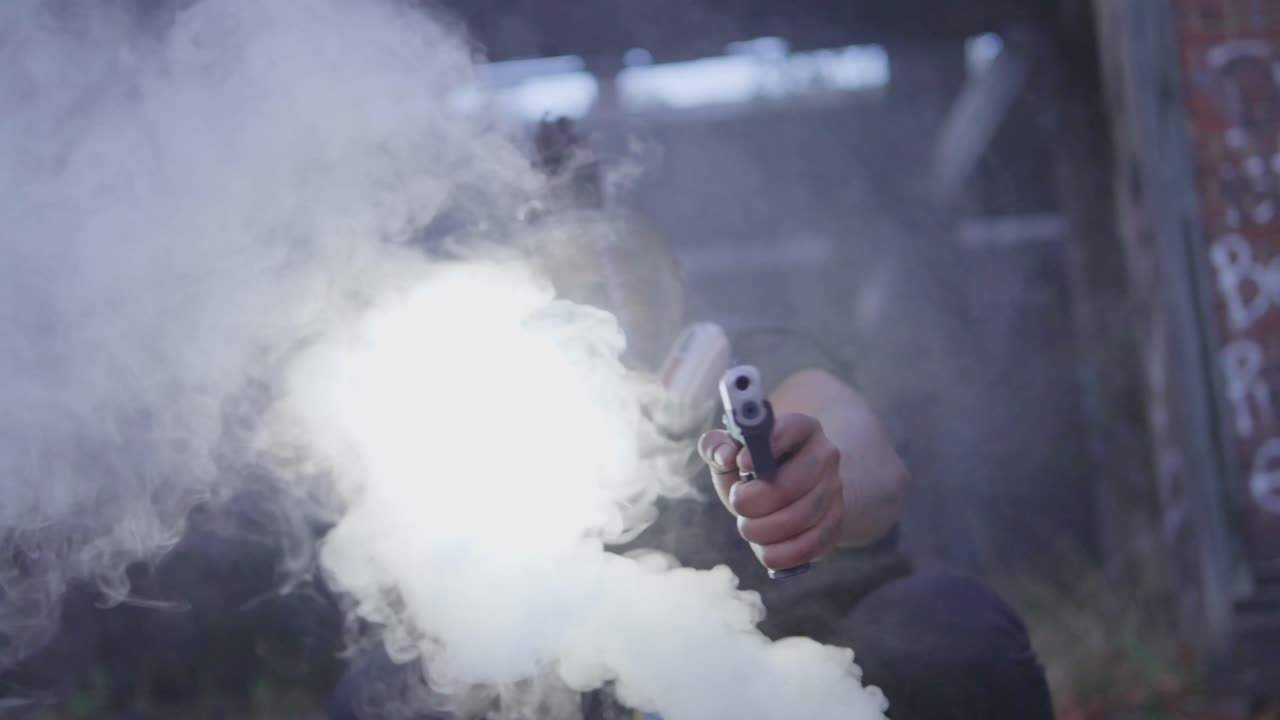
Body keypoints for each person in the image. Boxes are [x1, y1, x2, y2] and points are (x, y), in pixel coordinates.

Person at [330, 118, 1056, 719]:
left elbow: (853, 443)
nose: (595, 295)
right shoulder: (470, 422)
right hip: (597, 690)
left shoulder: (749, 363)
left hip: (807, 678)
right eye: (560, 271)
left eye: (617, 264)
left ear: (670, 275)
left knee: (944, 632)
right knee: (386, 694)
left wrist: (817, 485)